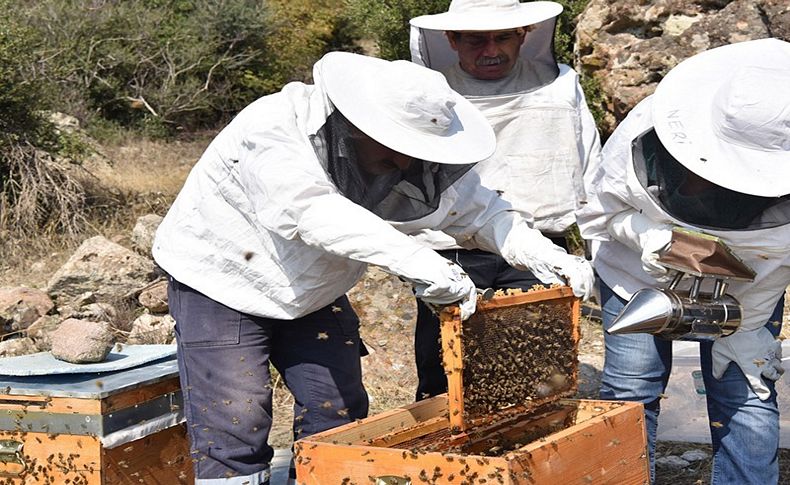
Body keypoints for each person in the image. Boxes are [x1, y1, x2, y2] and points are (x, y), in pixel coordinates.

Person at [152, 51, 594, 484]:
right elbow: (310, 212)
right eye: (398, 147)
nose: (405, 163)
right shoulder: (273, 125)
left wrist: (543, 253)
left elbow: (480, 213)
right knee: (236, 423)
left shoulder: (400, 158)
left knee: (337, 417)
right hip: (223, 282)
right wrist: (422, 263)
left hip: (316, 292)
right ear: (356, 126)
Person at [577, 38, 790, 484]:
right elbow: (599, 213)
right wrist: (645, 236)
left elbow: (782, 258)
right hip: (636, 277)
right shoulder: (644, 127)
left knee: (746, 390)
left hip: (747, 291)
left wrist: (748, 330)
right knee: (631, 390)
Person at [408, 0, 602, 400]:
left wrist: (596, 252)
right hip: (452, 249)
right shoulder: (430, 94)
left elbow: (591, 166)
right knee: (445, 370)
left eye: (503, 37)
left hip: (542, 244)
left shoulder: (562, 85)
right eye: (476, 40)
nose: (491, 51)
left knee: (541, 374)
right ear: (452, 39)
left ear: (525, 34)